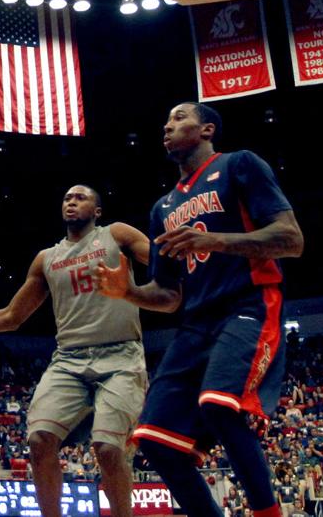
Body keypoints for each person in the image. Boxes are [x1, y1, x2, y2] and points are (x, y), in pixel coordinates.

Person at [95, 102, 304, 517]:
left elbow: (291, 239)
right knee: (153, 439)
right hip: (195, 323)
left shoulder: (239, 165)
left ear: (207, 129)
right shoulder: (164, 208)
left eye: (178, 118)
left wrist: (213, 241)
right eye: (166, 121)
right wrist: (128, 293)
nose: (167, 126)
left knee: (218, 403)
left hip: (249, 303)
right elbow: (169, 294)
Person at [0, 185, 151, 517]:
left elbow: (165, 257)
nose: (71, 202)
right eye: (67, 199)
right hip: (69, 359)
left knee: (106, 448)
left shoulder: (116, 235)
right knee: (39, 440)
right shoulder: (48, 258)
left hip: (120, 356)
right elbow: (11, 317)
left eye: (80, 198)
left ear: (98, 211)